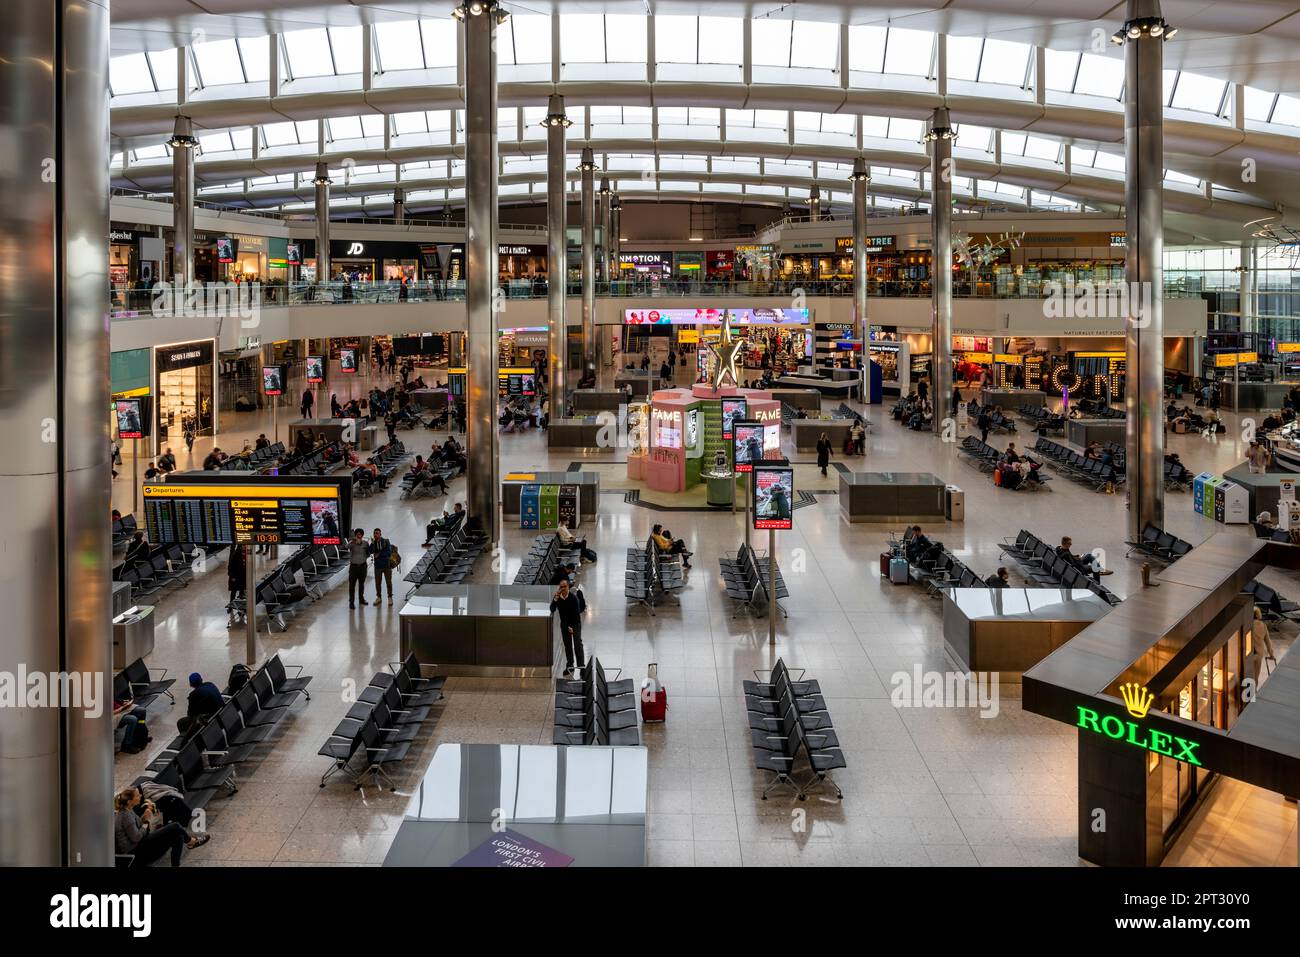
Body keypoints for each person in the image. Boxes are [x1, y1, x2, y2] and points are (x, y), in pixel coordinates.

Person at [115, 786, 207, 867]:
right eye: (137, 795)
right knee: (175, 826)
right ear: (129, 801)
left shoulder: (128, 810)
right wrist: (146, 822)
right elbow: (136, 837)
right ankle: (191, 842)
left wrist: (145, 817)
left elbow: (138, 827)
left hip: (141, 845)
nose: (140, 796)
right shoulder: (125, 816)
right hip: (136, 853)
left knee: (178, 836)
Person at [549, 577, 585, 678]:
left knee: (578, 644)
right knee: (567, 646)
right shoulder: (558, 597)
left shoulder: (573, 598)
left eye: (564, 586)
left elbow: (576, 613)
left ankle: (582, 667)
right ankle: (570, 665)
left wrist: (571, 626)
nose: (563, 588)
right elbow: (552, 608)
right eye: (561, 587)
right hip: (564, 625)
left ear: (568, 587)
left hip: (575, 623)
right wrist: (555, 599)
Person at [369, 528, 395, 606]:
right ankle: (379, 597)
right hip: (377, 566)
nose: (375, 534)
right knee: (378, 583)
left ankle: (390, 597)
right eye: (374, 533)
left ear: (380, 534)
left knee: (389, 582)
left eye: (377, 533)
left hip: (387, 565)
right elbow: (370, 551)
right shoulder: (373, 543)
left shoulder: (386, 541)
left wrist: (379, 554)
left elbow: (388, 552)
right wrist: (372, 543)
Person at [347, 528, 369, 609]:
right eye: (357, 534)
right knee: (352, 585)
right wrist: (352, 542)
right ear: (355, 535)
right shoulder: (352, 543)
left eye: (360, 534)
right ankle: (351, 602)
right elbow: (346, 547)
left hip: (363, 567)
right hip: (353, 568)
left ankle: (361, 599)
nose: (359, 536)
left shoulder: (365, 543)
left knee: (361, 584)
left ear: (362, 535)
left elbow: (368, 553)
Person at [227, 544, 247, 627]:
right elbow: (230, 566)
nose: (245, 547)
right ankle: (231, 606)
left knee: (242, 592)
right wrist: (232, 576)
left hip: (243, 576)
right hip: (235, 576)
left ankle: (240, 607)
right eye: (244, 546)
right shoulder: (236, 554)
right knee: (233, 592)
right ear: (241, 546)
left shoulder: (246, 553)